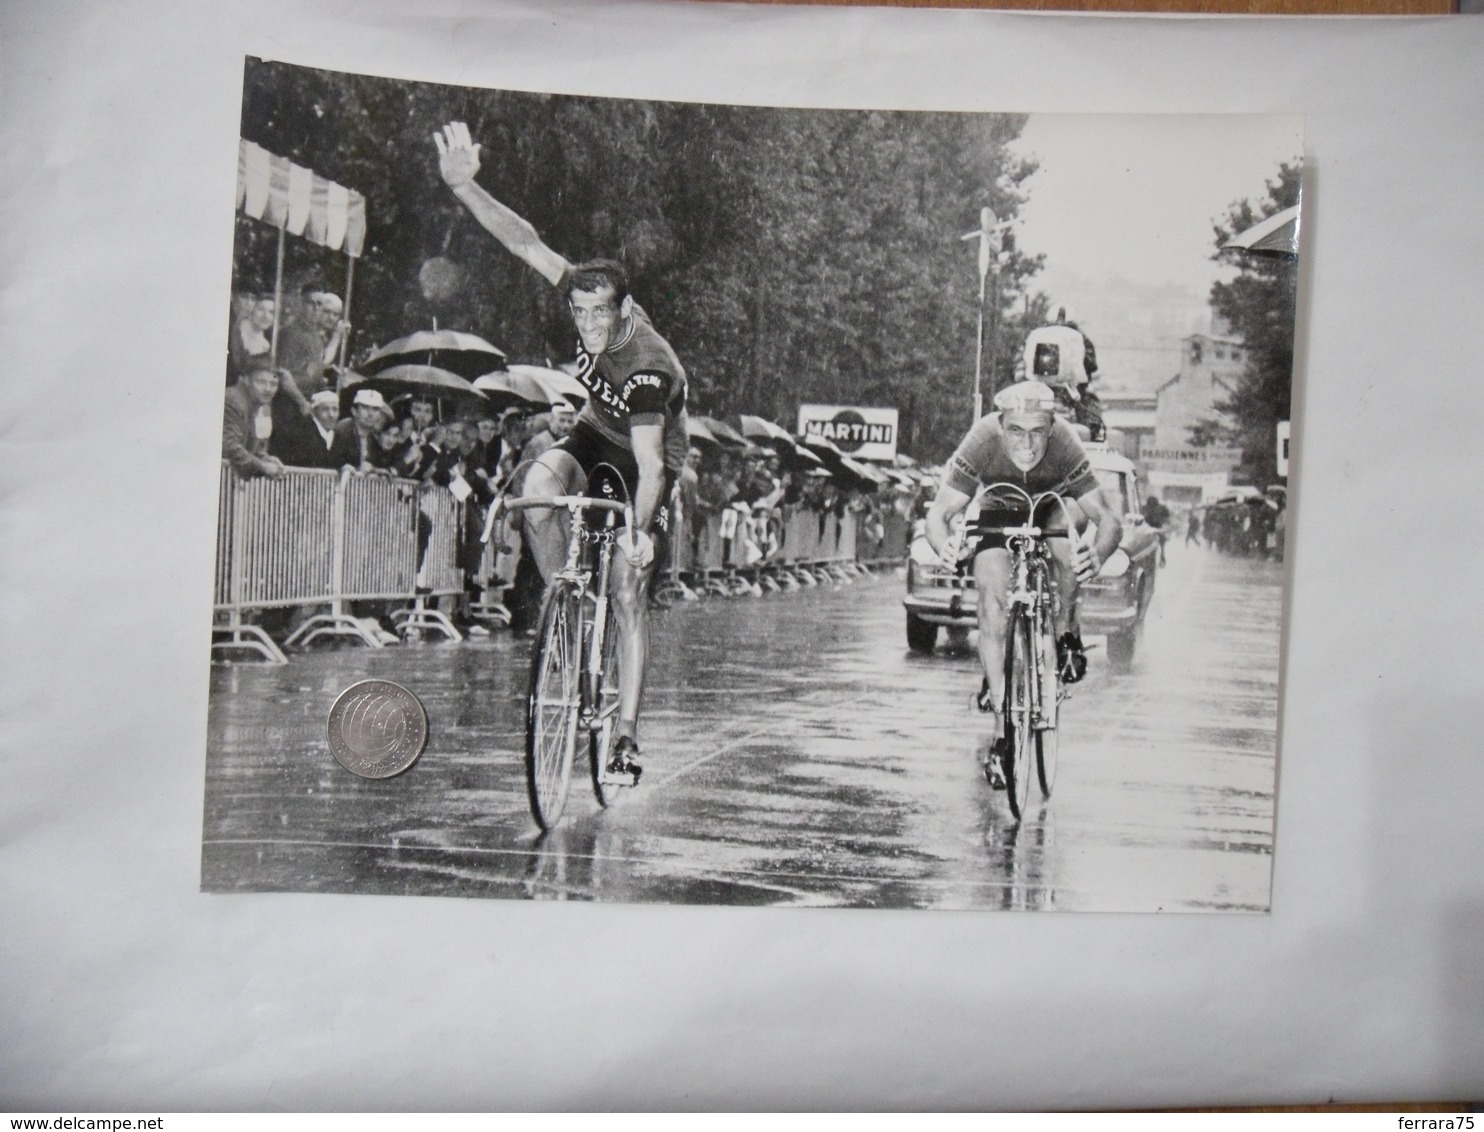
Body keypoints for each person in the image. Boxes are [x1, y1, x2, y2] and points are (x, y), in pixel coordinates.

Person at [436, 120, 689, 782]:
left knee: (630, 591)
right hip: (593, 429)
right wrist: (467, 190)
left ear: (624, 307)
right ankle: (567, 607)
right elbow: (526, 241)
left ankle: (628, 734)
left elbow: (655, 464)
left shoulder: (646, 362)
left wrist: (640, 530)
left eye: (602, 314)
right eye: (580, 315)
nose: (589, 326)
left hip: (646, 455)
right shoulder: (580, 296)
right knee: (539, 491)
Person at [924, 381, 1122, 770]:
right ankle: (1002, 732)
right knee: (991, 597)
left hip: (1055, 503)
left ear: (1051, 426)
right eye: (1016, 430)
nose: (1027, 444)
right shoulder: (981, 438)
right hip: (1000, 505)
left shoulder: (1066, 442)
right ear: (1000, 426)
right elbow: (938, 514)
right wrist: (944, 545)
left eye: (1037, 432)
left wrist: (1096, 555)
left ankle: (1066, 633)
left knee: (1066, 548)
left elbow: (1108, 519)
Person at [1022, 307, 1105, 442]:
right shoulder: (1037, 336)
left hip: (1072, 390)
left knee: (1093, 418)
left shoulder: (1081, 340)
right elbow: (1026, 360)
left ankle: (1096, 439)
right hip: (1039, 387)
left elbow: (1090, 365)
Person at [222, 358, 287, 479]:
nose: (268, 389)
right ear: (246, 380)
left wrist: (267, 459)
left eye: (273, 384)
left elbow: (250, 448)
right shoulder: (233, 400)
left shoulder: (258, 406)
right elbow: (229, 446)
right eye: (261, 382)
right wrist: (263, 466)